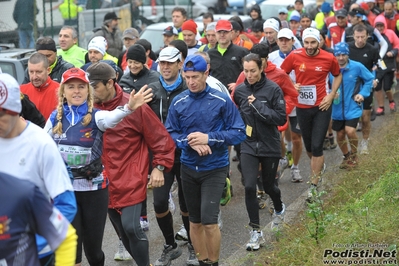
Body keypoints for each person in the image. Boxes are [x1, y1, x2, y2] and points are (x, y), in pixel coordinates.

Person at [44, 66, 153, 265]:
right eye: (71, 87)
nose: (76, 91)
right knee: (71, 250)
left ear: (88, 91)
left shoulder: (96, 116)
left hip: (94, 191)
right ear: (63, 92)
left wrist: (129, 108)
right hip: (66, 191)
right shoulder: (54, 118)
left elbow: (112, 118)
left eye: (81, 87)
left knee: (93, 252)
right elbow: (40, 145)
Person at [86, 62, 175, 266]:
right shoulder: (88, 109)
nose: (91, 92)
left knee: (131, 227)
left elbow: (161, 138)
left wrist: (159, 167)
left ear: (110, 83)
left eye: (95, 87)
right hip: (102, 180)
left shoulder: (133, 105)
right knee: (122, 234)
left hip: (131, 177)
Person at [165, 54, 246, 266]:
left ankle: (215, 262)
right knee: (195, 221)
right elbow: (170, 133)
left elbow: (239, 132)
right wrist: (189, 142)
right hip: (189, 168)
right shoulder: (179, 101)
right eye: (188, 76)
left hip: (215, 168)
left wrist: (209, 138)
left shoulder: (221, 100)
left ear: (206, 74)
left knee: (210, 221)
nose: (191, 81)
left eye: (196, 77)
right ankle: (202, 262)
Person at [0, 72, 76, 266]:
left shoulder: (41, 144)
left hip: (36, 254)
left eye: (1, 114)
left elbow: (66, 205)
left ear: (16, 109)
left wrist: (32, 241)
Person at [280, 28, 342, 202]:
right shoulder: (294, 56)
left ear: (319, 43)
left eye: (312, 42)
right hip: (302, 107)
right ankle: (319, 166)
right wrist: (292, 85)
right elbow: (281, 74)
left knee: (316, 146)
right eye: (306, 42)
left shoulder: (329, 58)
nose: (309, 46)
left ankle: (313, 187)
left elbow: (338, 76)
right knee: (309, 148)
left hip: (322, 106)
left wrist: (330, 95)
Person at [233, 53, 287, 250]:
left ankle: (280, 209)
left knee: (269, 185)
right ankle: (255, 232)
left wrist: (257, 106)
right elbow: (235, 114)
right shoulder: (239, 91)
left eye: (253, 71)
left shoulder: (273, 90)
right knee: (249, 186)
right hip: (248, 144)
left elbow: (281, 119)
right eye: (246, 71)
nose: (249, 75)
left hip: (269, 144)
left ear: (261, 68)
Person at [147, 47, 194, 266]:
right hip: (160, 157)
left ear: (179, 64)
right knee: (158, 203)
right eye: (161, 63)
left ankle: (194, 244)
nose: (165, 67)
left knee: (187, 204)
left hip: (186, 154)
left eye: (169, 63)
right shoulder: (151, 90)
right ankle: (170, 245)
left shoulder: (189, 87)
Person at [0, 172, 77, 266]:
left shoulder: (23, 192)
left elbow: (65, 235)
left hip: (42, 250)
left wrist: (40, 242)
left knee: (94, 255)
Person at [330, 42, 373, 169]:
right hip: (337, 108)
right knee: (340, 134)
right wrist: (330, 94)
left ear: (348, 55)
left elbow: (369, 79)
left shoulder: (357, 66)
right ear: (335, 55)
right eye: (338, 55)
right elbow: (324, 84)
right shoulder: (330, 68)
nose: (341, 58)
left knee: (350, 131)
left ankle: (354, 156)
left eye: (344, 54)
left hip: (352, 106)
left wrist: (362, 94)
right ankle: (346, 156)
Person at [348, 24, 381, 155]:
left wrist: (376, 79)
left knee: (365, 117)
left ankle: (365, 143)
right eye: (357, 37)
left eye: (363, 37)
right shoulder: (348, 48)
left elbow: (381, 66)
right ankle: (352, 146)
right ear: (353, 36)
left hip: (366, 85)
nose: (360, 40)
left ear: (368, 36)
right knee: (351, 119)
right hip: (350, 86)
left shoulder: (372, 49)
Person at [208, 20, 249, 92]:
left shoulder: (242, 52)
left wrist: (239, 84)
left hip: (237, 94)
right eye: (219, 32)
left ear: (232, 33)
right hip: (216, 94)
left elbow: (250, 73)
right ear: (215, 33)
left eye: (225, 32)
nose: (222, 35)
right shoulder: (209, 54)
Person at [20, 53, 59, 120]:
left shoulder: (60, 91)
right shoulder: (21, 91)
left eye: (38, 72)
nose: (34, 77)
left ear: (48, 70)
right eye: (31, 72)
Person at [373, 16, 399, 114]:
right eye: (377, 26)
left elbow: (397, 44)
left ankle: (391, 101)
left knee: (387, 87)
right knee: (377, 87)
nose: (379, 28)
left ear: (385, 25)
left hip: (388, 64)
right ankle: (381, 107)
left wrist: (393, 52)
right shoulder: (372, 35)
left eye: (381, 26)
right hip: (377, 65)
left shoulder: (390, 33)